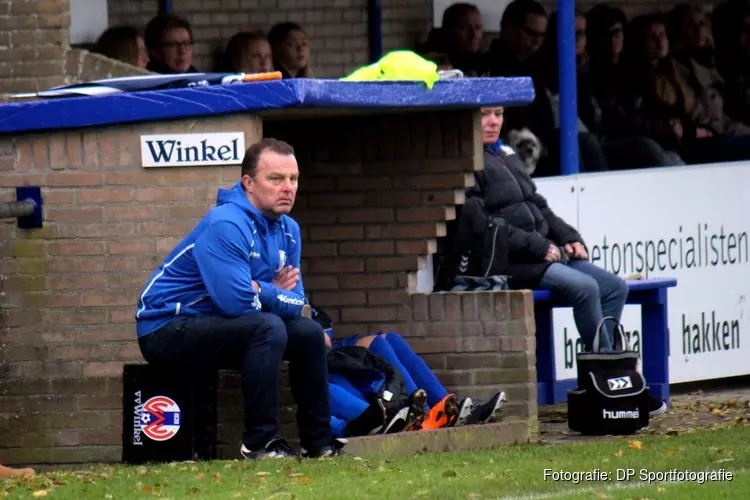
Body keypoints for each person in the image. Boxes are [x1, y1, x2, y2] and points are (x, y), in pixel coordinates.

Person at [134, 138, 344, 459]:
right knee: (268, 327)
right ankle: (259, 443)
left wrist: (263, 289)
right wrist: (272, 291)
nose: (287, 187)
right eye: (275, 179)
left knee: (308, 333)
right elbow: (238, 304)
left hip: (219, 325)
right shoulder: (227, 223)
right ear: (248, 183)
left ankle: (319, 444)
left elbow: (298, 303)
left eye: (293, 179)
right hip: (166, 327)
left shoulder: (289, 229)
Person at [458, 107, 667, 416]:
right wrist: (538, 246)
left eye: (498, 114)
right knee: (585, 288)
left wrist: (570, 237)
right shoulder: (464, 163)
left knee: (614, 287)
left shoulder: (506, 154)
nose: (493, 122)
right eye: (485, 115)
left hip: (546, 253)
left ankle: (604, 383)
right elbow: (482, 227)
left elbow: (539, 206)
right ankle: (612, 384)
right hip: (509, 264)